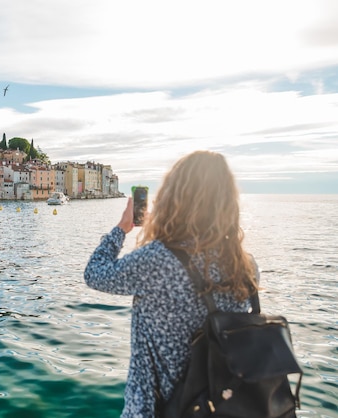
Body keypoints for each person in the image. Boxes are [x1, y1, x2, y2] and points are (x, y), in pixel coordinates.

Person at [84, 151, 259, 417]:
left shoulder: (158, 260)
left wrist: (121, 228)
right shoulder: (245, 266)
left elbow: (95, 273)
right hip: (223, 407)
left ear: (174, 198)